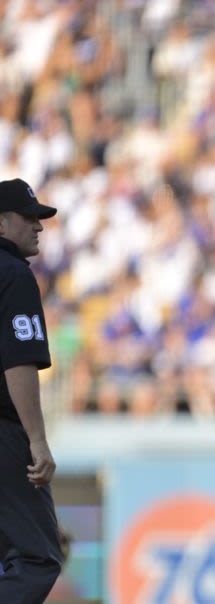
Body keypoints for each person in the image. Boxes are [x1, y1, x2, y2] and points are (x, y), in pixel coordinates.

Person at [0, 177, 64, 602]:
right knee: (37, 556)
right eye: (28, 217)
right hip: (3, 434)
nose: (38, 225)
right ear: (2, 224)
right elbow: (17, 361)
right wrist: (37, 441)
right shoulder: (14, 276)